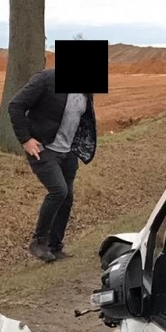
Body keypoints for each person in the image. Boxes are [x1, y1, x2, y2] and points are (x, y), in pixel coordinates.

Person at [7, 68, 97, 261]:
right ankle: (38, 242)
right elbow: (15, 106)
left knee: (67, 197)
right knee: (58, 191)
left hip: (68, 152)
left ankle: (55, 247)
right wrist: (26, 140)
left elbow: (83, 119)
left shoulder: (85, 92)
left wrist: (78, 147)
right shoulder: (47, 79)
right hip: (43, 148)